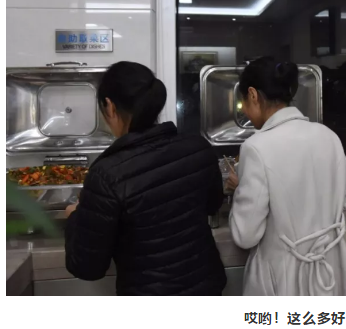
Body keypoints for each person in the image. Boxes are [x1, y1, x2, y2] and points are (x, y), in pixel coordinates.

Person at [65, 61, 227, 295]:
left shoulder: (106, 174)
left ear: (109, 106)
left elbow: (87, 267)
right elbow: (212, 205)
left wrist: (75, 218)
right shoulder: (198, 148)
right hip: (206, 288)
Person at [227, 57, 346, 296]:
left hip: (283, 278)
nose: (244, 109)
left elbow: (245, 235)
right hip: (329, 272)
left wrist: (239, 190)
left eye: (243, 101)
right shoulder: (328, 136)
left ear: (253, 95)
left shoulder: (256, 147)